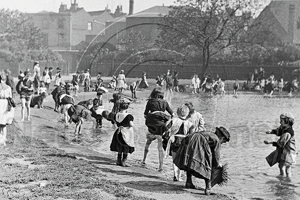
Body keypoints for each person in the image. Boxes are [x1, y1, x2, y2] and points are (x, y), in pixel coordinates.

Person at [173, 127, 230, 195]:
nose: (222, 143)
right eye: (223, 142)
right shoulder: (217, 139)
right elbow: (216, 155)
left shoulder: (209, 133)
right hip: (197, 141)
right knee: (208, 164)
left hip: (189, 138)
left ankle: (188, 182)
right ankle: (208, 188)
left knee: (190, 162)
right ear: (222, 138)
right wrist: (217, 165)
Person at [142, 87, 173, 171]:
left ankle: (144, 160)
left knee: (148, 143)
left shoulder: (150, 102)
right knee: (160, 148)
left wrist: (151, 117)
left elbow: (145, 114)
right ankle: (160, 167)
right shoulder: (165, 102)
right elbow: (172, 113)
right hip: (161, 128)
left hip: (151, 127)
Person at [164, 105, 194, 181]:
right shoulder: (190, 123)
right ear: (187, 114)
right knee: (181, 160)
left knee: (174, 159)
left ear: (177, 112)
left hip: (174, 139)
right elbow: (191, 135)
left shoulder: (173, 120)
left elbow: (166, 129)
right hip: (184, 141)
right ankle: (179, 176)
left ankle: (175, 175)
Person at [264, 113, 296, 178]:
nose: (280, 122)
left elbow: (281, 144)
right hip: (292, 153)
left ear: (287, 121)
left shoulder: (288, 133)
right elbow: (278, 131)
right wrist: (271, 132)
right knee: (288, 168)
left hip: (288, 153)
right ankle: (288, 181)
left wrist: (270, 142)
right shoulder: (284, 128)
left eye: (281, 121)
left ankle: (282, 179)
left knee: (281, 165)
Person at [110, 97, 135, 167]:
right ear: (127, 108)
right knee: (125, 146)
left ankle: (118, 160)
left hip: (118, 132)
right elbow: (131, 124)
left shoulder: (117, 114)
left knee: (120, 147)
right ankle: (124, 161)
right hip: (126, 132)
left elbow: (114, 123)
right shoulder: (128, 116)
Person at [0, 70, 15, 146]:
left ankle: (2, 139)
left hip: (1, 104)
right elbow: (10, 97)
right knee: (3, 124)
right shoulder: (8, 87)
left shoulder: (4, 87)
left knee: (1, 123)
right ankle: (3, 139)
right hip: (5, 104)